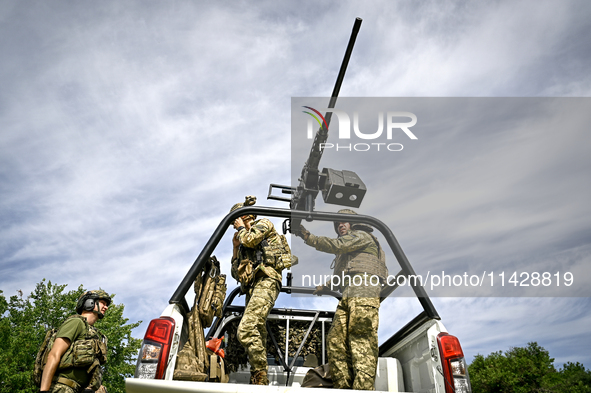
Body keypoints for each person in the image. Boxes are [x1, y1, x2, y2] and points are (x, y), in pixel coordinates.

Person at [294, 209, 388, 390]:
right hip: (348, 293)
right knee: (335, 340)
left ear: (353, 223)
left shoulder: (361, 236)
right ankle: (343, 388)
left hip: (364, 288)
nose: (340, 225)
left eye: (344, 222)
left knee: (360, 338)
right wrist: (325, 287)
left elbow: (334, 245)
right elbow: (343, 274)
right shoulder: (348, 251)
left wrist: (305, 234)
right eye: (337, 224)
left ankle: (362, 389)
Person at [229, 196, 290, 385]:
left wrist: (241, 229)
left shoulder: (263, 224)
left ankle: (259, 377)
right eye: (233, 222)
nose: (234, 225)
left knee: (246, 329)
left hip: (267, 280)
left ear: (246, 215)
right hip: (252, 287)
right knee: (257, 333)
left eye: (236, 219)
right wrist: (235, 248)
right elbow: (235, 273)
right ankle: (259, 379)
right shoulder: (242, 241)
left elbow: (251, 239)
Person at [39, 290, 111, 393]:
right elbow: (54, 354)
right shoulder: (76, 322)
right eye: (103, 303)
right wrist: (44, 391)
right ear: (89, 302)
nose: (106, 307)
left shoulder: (93, 334)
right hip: (62, 388)